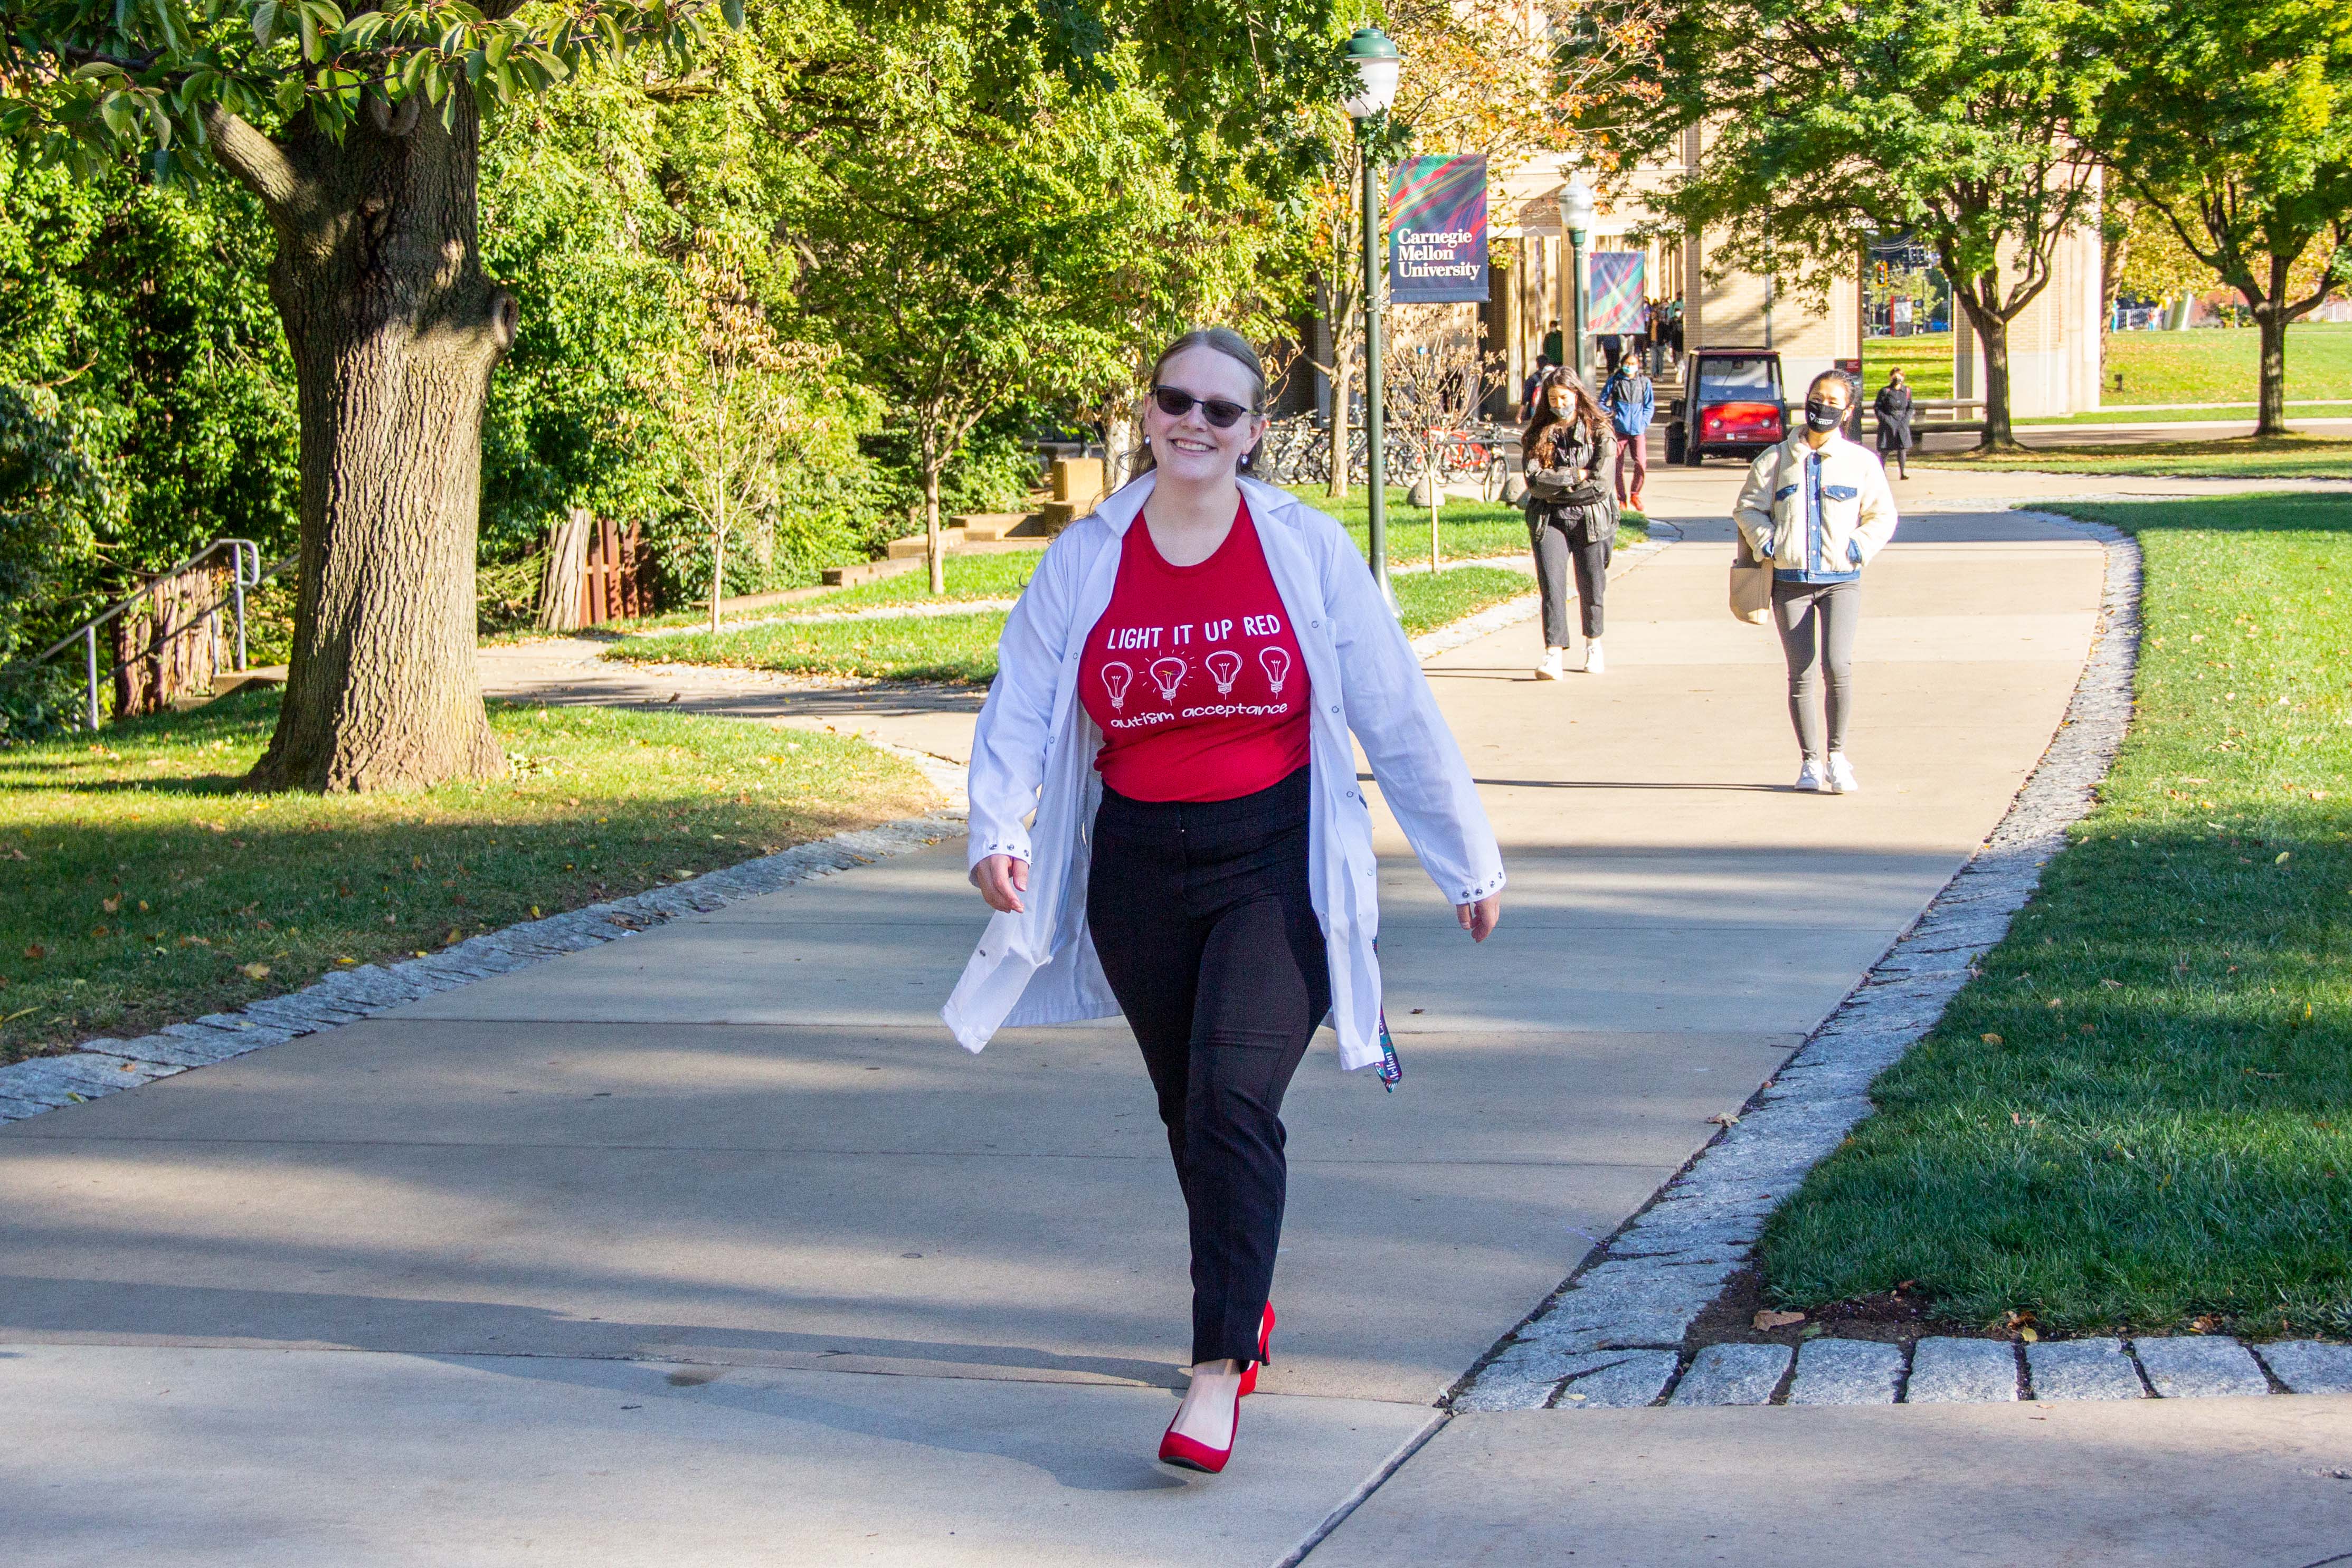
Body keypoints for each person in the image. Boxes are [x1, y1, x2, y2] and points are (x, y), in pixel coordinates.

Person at [945, 327, 1506, 1476]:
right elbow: (1023, 700)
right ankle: (1243, 1300)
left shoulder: (1301, 547)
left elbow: (1391, 703)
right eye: (1175, 402)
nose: (1194, 424)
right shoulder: (1088, 555)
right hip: (1138, 867)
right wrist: (994, 832)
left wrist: (1464, 861)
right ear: (1145, 413)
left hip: (1275, 859)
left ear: (1255, 432)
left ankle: (1213, 1371)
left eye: (1221, 410)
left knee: (1229, 1104)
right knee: (1186, 1111)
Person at [1733, 370, 1899, 794]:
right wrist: (1768, 542)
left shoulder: (1862, 462)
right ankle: (1810, 762)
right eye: (1815, 398)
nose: (1821, 407)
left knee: (1838, 665)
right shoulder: (1774, 459)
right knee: (1802, 672)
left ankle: (1838, 756)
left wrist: (1858, 548)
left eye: (1832, 401)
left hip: (1842, 580)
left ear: (1847, 411)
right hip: (1790, 582)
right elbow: (1748, 508)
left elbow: (1883, 515)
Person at [1520, 365, 1617, 679]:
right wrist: (1576, 475)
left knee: (1592, 584)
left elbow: (1602, 485)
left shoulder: (1600, 431)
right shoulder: (1537, 435)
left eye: (1563, 397)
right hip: (1549, 520)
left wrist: (1556, 488)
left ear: (1576, 395)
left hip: (1592, 520)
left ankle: (1594, 645)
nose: (1558, 403)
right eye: (1552, 397)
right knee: (1552, 585)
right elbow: (1535, 482)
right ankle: (1553, 654)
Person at [1598, 347, 1654, 514]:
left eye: (1634, 364)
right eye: (1628, 364)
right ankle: (1621, 498)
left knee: (1641, 463)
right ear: (1622, 365)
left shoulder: (1644, 383)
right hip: (1619, 430)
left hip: (1638, 430)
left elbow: (1649, 406)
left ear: (1638, 366)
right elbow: (1601, 402)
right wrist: (1612, 415)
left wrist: (1644, 422)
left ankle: (1635, 494)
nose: (1630, 366)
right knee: (1617, 465)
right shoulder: (1615, 381)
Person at [1873, 367, 1915, 479]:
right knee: (1885, 450)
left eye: (1900, 377)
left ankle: (1903, 472)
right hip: (1888, 421)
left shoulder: (1907, 391)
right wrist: (1885, 419)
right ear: (1891, 377)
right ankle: (1881, 472)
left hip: (1902, 421)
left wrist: (1906, 420)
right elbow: (1878, 408)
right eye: (1895, 377)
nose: (1898, 379)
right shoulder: (1885, 391)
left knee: (1902, 449)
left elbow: (1910, 407)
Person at [1520, 353, 1553, 422]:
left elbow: (1526, 396)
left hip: (1537, 409)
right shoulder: (1555, 377)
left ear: (1537, 365)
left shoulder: (1532, 379)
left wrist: (1520, 414)